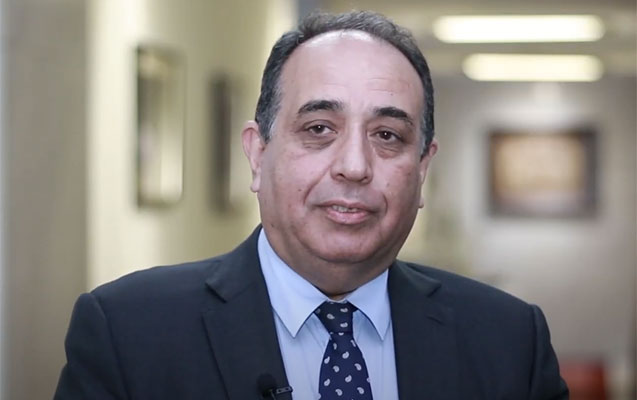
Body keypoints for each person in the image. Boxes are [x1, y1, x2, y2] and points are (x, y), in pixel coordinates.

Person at [54, 11, 569, 400]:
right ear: (257, 154)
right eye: (319, 128)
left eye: (387, 135)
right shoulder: (128, 332)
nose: (354, 166)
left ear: (422, 170)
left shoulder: (509, 341)